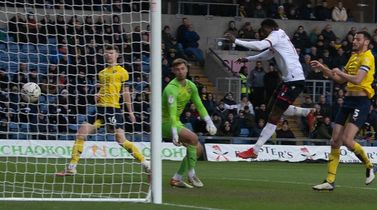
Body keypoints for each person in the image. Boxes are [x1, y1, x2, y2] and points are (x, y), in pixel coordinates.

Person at [225, 18, 314, 159]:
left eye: (264, 30)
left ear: (271, 28)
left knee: (274, 115)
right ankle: (307, 112)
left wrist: (236, 41)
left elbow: (260, 46)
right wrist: (249, 59)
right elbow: (268, 53)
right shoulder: (280, 36)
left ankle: (255, 149)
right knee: (270, 108)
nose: (263, 33)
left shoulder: (276, 34)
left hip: (294, 80)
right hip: (288, 80)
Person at [56, 45, 150, 176]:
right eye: (106, 53)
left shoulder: (122, 71)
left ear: (117, 55)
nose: (108, 55)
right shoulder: (102, 73)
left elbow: (126, 92)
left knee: (120, 139)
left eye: (111, 53)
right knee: (81, 134)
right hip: (100, 110)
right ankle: (71, 167)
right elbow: (102, 89)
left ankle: (146, 163)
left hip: (113, 109)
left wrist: (130, 112)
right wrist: (97, 95)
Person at [310, 31, 377, 191]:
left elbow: (358, 79)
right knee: (335, 141)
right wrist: (324, 68)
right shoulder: (353, 57)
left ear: (366, 42)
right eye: (354, 38)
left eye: (358, 39)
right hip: (348, 101)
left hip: (361, 102)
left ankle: (370, 166)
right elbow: (340, 79)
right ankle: (330, 181)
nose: (354, 41)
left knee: (347, 140)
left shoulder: (368, 57)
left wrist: (340, 72)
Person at [162, 58, 217, 188]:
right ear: (173, 71)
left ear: (187, 69)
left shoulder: (191, 86)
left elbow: (199, 105)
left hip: (175, 122)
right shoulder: (171, 88)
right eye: (177, 69)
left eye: (182, 68)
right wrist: (175, 133)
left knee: (198, 149)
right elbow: (172, 112)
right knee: (194, 138)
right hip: (164, 122)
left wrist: (209, 122)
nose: (180, 71)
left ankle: (177, 178)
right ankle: (191, 174)